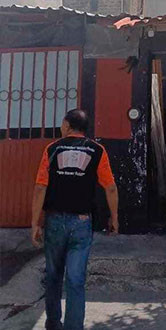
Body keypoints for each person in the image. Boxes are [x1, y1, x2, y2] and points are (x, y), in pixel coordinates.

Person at [31, 109, 119, 330]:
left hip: (54, 222)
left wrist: (35, 222)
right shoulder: (98, 150)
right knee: (76, 280)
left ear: (67, 125)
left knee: (53, 276)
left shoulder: (52, 149)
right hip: (82, 223)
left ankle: (53, 324)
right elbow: (110, 187)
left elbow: (40, 187)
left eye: (62, 124)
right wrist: (114, 217)